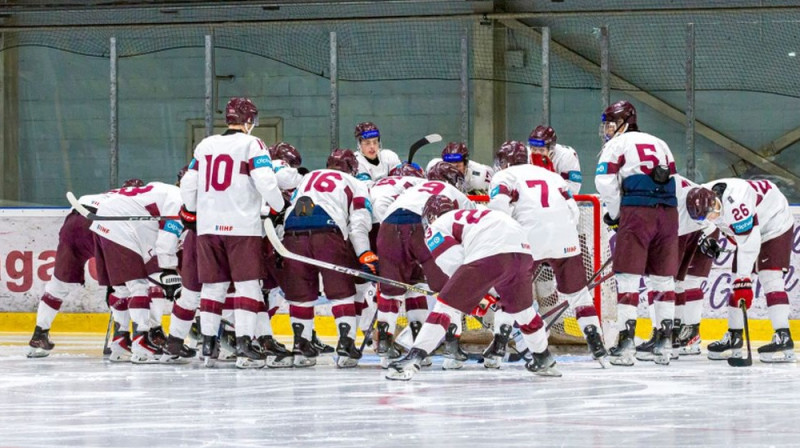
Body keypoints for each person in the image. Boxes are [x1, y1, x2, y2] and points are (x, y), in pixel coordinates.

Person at [385, 195, 560, 381]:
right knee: (524, 312)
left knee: (445, 308)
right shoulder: (474, 214)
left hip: (491, 252)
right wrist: (487, 293)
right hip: (523, 252)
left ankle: (413, 359)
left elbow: (454, 264)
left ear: (430, 217)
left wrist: (475, 295)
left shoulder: (437, 226)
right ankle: (543, 358)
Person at [180, 97, 286, 369]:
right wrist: (279, 206)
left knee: (212, 286)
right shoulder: (253, 144)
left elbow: (189, 182)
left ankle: (208, 346)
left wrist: (192, 210)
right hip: (242, 227)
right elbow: (266, 181)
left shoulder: (205, 144)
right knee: (247, 285)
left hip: (208, 227)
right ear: (249, 120)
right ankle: (244, 345)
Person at [488, 140, 607, 367]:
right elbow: (573, 210)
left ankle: (498, 347)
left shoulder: (504, 176)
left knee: (510, 292)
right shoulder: (551, 175)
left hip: (527, 239)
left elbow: (498, 211)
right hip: (566, 237)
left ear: (503, 162)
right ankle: (596, 344)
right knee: (579, 295)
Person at [595, 100, 679, 366]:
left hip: (637, 213)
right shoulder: (660, 143)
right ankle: (665, 343)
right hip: (668, 214)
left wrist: (615, 215)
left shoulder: (615, 145)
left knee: (628, 279)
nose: (607, 130)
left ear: (624, 122)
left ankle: (626, 344)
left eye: (611, 124)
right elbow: (673, 178)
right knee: (663, 280)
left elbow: (604, 183)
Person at [27, 179, 145, 358]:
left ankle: (39, 335)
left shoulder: (108, 194)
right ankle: (121, 337)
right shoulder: (137, 201)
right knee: (123, 285)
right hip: (102, 223)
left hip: (73, 221)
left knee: (57, 285)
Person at [281, 148, 374, 368]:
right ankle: (345, 342)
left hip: (292, 233)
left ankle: (301, 345)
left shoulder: (308, 177)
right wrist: (364, 254)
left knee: (301, 295)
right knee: (341, 292)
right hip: (327, 234)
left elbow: (297, 207)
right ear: (352, 168)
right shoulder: (356, 183)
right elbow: (359, 223)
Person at [375, 162, 473, 368]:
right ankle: (452, 347)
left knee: (393, 290)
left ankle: (385, 343)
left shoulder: (414, 188)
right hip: (423, 227)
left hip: (388, 226)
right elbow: (468, 228)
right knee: (450, 291)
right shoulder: (455, 193)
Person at [686, 178, 795, 363]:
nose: (710, 218)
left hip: (774, 221)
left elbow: (749, 244)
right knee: (736, 280)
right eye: (705, 217)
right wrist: (706, 237)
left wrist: (743, 280)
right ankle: (734, 336)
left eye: (710, 213)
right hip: (751, 225)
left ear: (714, 200)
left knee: (770, 277)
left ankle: (783, 336)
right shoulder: (699, 197)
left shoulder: (737, 201)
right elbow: (706, 222)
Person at [90, 182, 183, 364]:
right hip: (121, 223)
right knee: (139, 285)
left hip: (104, 220)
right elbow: (167, 240)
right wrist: (169, 270)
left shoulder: (163, 189)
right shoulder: (179, 199)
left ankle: (121, 342)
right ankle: (142, 344)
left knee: (121, 287)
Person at [635, 174, 719, 361]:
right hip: (681, 228)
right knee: (669, 282)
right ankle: (671, 336)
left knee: (673, 281)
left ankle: (678, 335)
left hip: (698, 230)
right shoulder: (668, 196)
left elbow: (712, 219)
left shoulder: (702, 198)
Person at [528, 125, 583, 195]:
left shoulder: (566, 156)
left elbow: (573, 190)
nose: (537, 154)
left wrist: (550, 177)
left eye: (541, 150)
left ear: (551, 149)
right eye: (534, 149)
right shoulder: (526, 154)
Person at [426, 142, 494, 194]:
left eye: (457, 166)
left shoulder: (480, 176)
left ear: (465, 164)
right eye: (449, 166)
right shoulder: (434, 167)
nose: (453, 171)